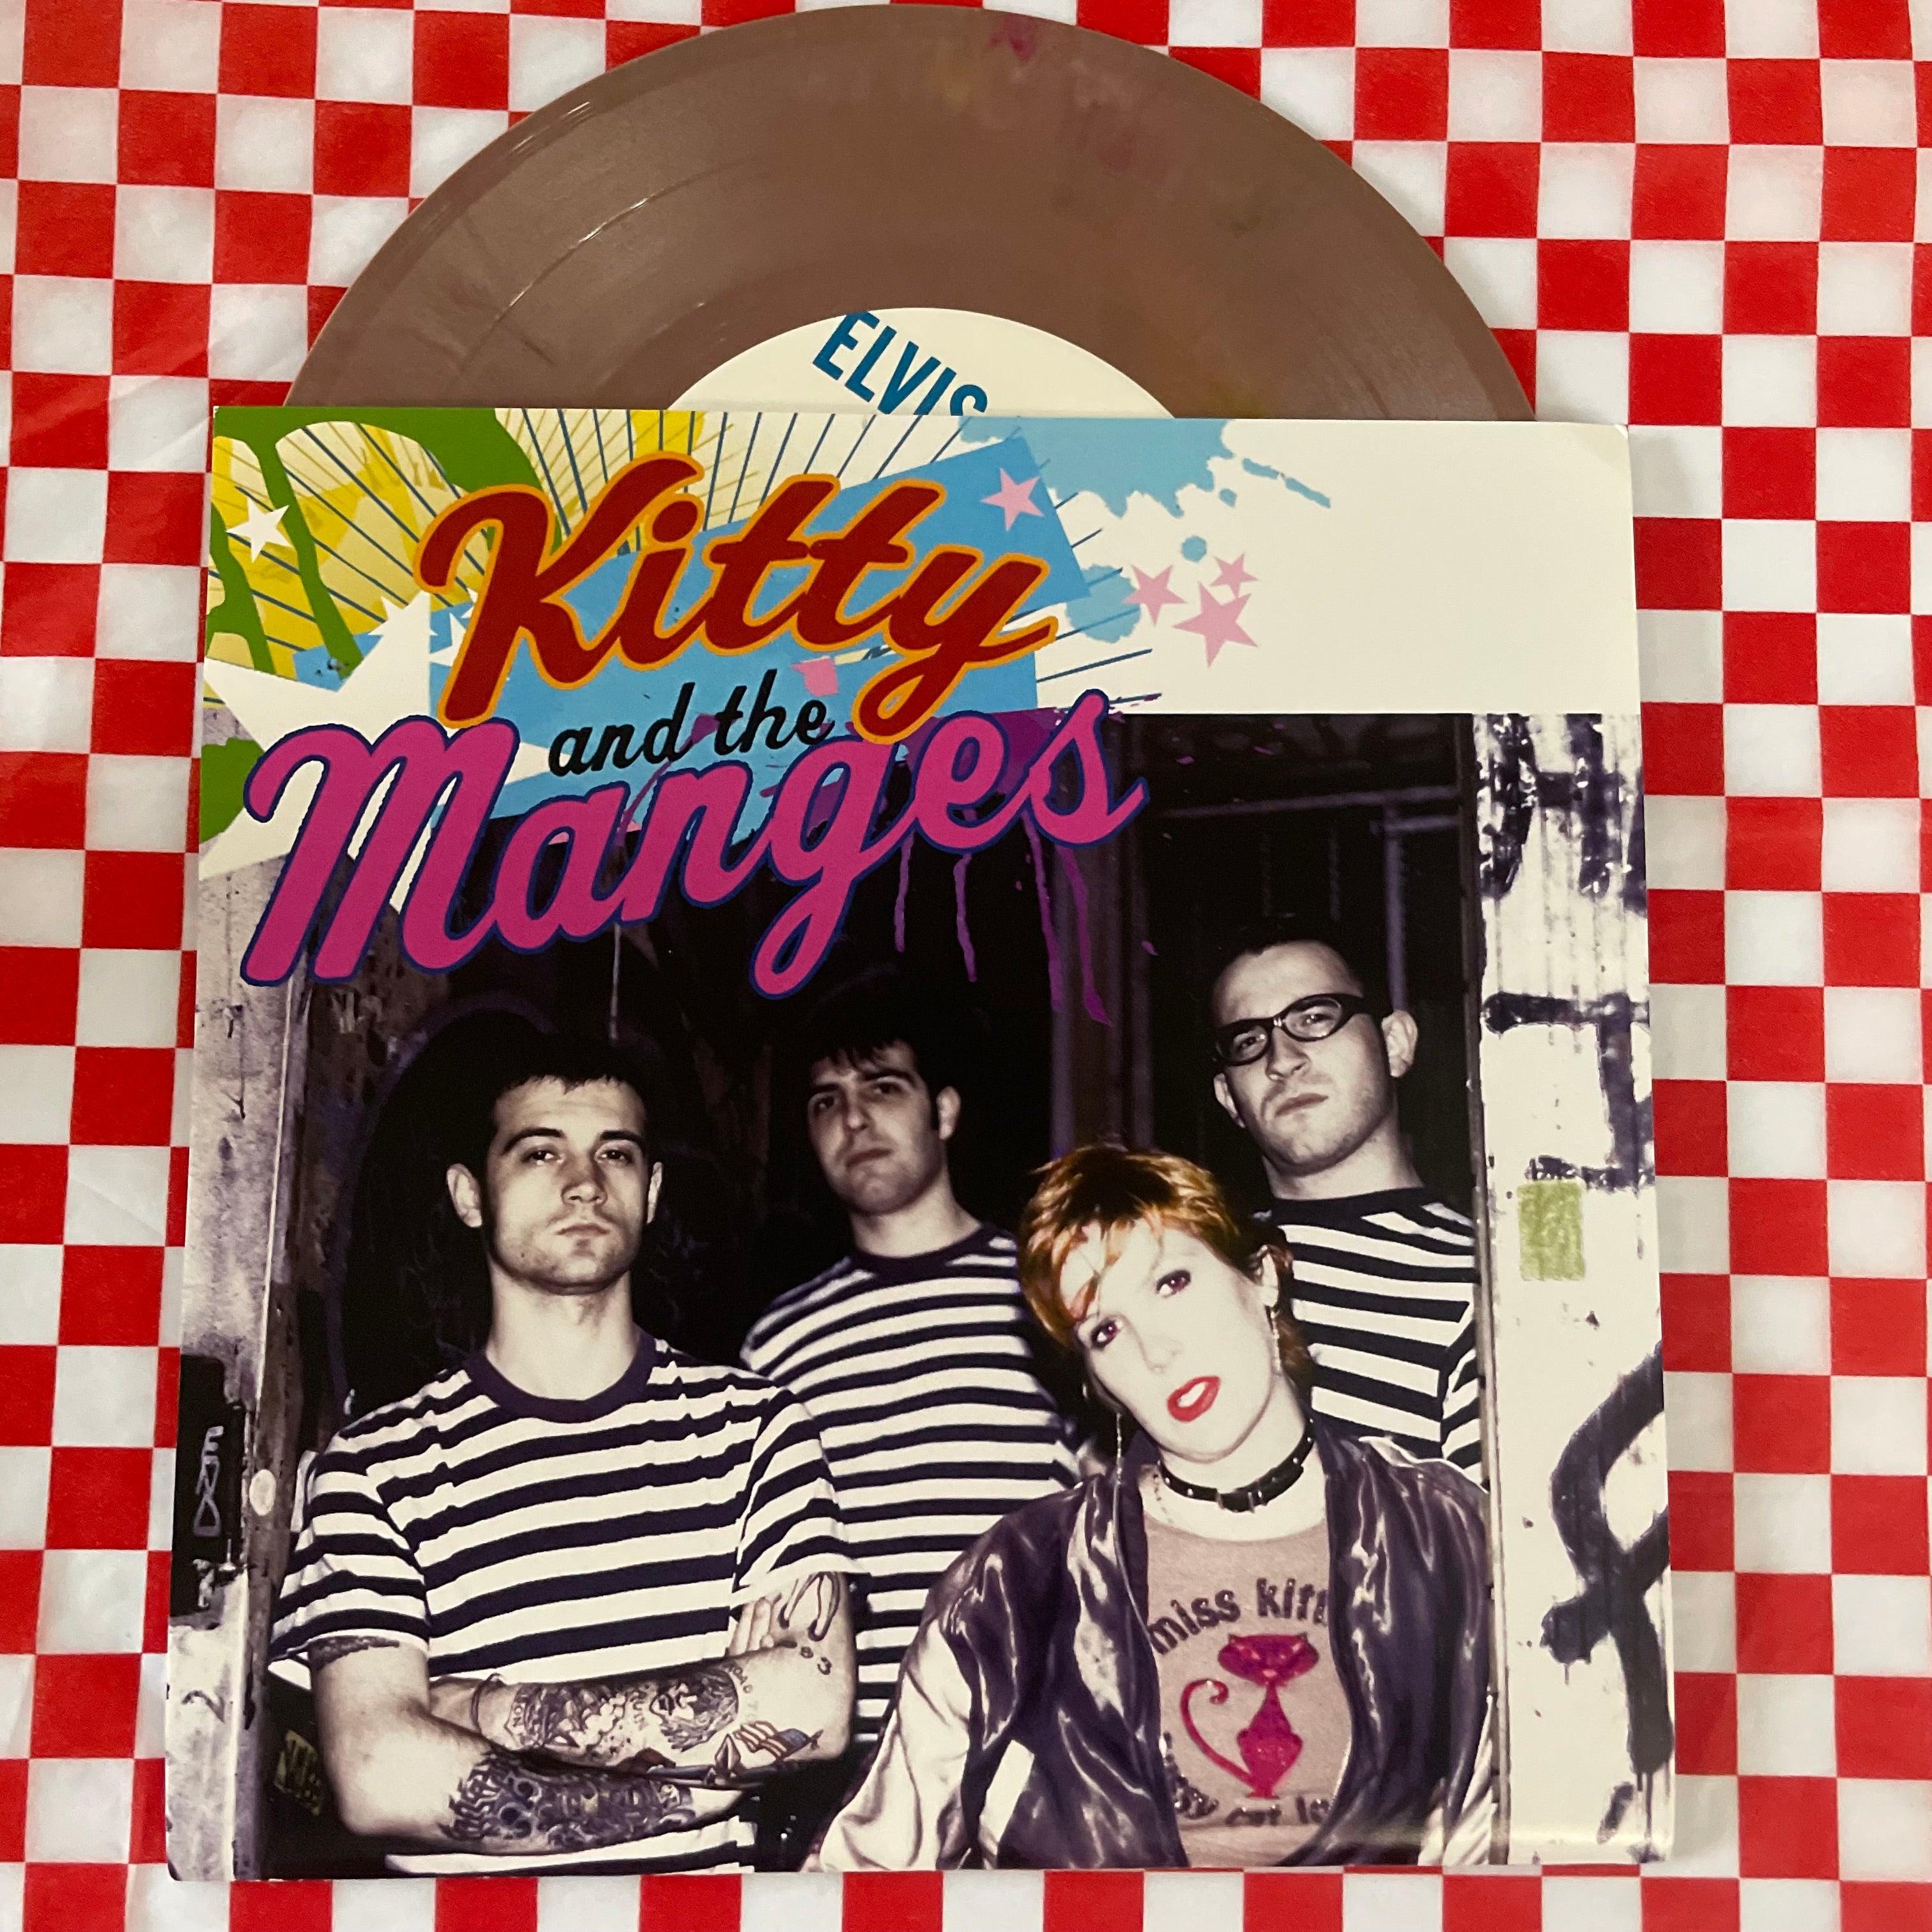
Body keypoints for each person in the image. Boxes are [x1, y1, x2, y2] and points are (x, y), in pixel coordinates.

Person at [269, 1029, 857, 1876]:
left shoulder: (757, 1429)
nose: (585, 1182)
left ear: (651, 1192)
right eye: (540, 1153)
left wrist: (482, 1709)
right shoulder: (375, 1468)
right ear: (471, 1195)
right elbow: (377, 1775)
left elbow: (810, 1708)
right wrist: (698, 1789)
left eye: (616, 1153)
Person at [814, 1143, 1492, 1871]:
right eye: (1105, 1331)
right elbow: (864, 1880)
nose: (1155, 1350)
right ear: (1097, 1382)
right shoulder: (1017, 1588)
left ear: (1262, 1277)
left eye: (1171, 1282)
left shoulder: (1442, 1533)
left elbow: (1508, 1848)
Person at [741, 972, 1077, 1757]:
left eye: (883, 1088)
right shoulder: (776, 1345)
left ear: (945, 1111)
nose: (853, 1119)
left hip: (1039, 1748)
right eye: (825, 1102)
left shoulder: (1052, 1294)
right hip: (860, 1769)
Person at [1208, 916, 1484, 1480]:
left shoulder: (1484, 1280)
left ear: (1395, 1044)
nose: (1282, 1060)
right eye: (1249, 1040)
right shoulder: (1192, 1271)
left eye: (1315, 1017)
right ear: (1228, 1097)